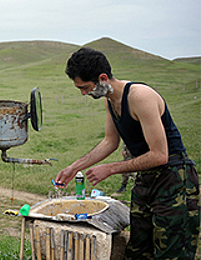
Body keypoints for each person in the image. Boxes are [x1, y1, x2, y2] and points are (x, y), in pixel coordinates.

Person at [55, 47, 199, 259]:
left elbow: (160, 155)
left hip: (174, 180)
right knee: (138, 251)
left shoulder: (140, 96)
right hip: (146, 181)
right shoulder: (110, 101)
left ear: (102, 78)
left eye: (85, 87)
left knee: (171, 252)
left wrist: (110, 169)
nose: (83, 93)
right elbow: (109, 142)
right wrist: (73, 168)